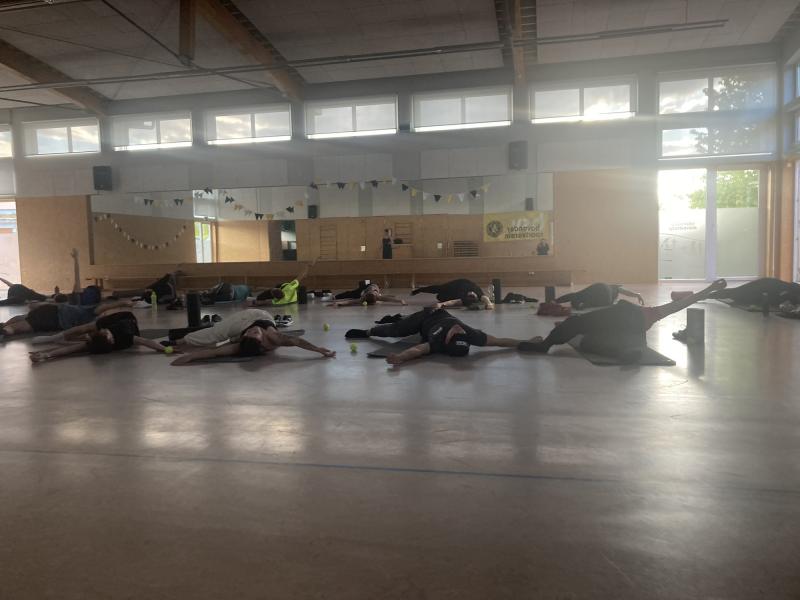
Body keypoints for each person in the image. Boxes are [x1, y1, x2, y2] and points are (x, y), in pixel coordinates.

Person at [519, 279, 726, 362]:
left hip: (622, 315)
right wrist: (710, 289)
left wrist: (710, 289)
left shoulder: (637, 309)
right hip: (634, 326)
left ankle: (545, 345)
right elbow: (681, 305)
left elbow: (585, 319)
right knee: (612, 341)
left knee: (580, 325)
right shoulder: (652, 315)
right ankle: (626, 351)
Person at [345, 307, 525, 365]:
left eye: (458, 332)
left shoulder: (439, 342)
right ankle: (368, 332)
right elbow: (499, 341)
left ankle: (396, 319)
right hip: (429, 314)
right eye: (460, 331)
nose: (459, 329)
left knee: (397, 329)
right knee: (396, 329)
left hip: (427, 322)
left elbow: (417, 350)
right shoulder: (470, 334)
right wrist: (524, 342)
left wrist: (399, 358)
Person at [169, 307, 335, 365]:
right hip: (256, 316)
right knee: (214, 334)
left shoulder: (239, 346)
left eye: (253, 332)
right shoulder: (274, 337)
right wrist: (318, 350)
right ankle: (180, 340)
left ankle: (181, 339)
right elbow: (296, 341)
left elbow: (214, 352)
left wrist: (190, 357)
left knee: (215, 334)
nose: (253, 330)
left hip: (246, 321)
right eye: (254, 332)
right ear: (262, 340)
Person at [28, 310, 169, 363]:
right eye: (104, 332)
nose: (104, 330)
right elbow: (146, 341)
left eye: (104, 332)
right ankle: (54, 337)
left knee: (85, 335)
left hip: (123, 320)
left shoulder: (118, 338)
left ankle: (66, 339)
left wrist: (46, 355)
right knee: (87, 327)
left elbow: (71, 350)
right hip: (126, 319)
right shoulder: (126, 336)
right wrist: (164, 349)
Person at [1, 298, 133, 341]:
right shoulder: (91, 314)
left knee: (24, 318)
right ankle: (4, 330)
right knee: (19, 326)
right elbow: (105, 307)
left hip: (52, 311)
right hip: (53, 318)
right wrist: (122, 303)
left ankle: (4, 326)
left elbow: (105, 307)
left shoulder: (87, 313)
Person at [251, 259, 317, 307]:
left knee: (262, 295)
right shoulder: (288, 288)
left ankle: (257, 289)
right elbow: (300, 277)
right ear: (281, 290)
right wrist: (307, 266)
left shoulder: (278, 301)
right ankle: (257, 289)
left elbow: (265, 302)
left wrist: (255, 302)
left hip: (290, 295)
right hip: (292, 296)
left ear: (274, 297)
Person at [703, 278, 800, 307]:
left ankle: (707, 295)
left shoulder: (792, 292)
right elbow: (782, 295)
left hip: (766, 287)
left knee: (736, 293)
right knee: (737, 293)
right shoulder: (791, 291)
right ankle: (707, 295)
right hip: (765, 286)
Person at [411, 278, 494, 310]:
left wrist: (441, 304)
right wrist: (489, 304)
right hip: (458, 283)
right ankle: (419, 290)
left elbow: (453, 302)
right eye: (473, 294)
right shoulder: (477, 291)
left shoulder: (464, 297)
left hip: (456, 292)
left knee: (440, 296)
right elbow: (485, 298)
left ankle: (440, 297)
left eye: (471, 295)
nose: (472, 293)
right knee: (439, 288)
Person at [555, 283, 644, 309]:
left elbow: (624, 291)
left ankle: (555, 301)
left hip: (600, 285)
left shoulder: (612, 286)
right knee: (603, 304)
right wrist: (637, 295)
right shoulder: (614, 291)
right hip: (605, 295)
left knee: (578, 294)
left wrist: (637, 295)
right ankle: (584, 305)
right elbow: (625, 292)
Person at [110, 272, 178, 305]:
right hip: (152, 292)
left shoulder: (169, 286)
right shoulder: (169, 286)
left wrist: (149, 289)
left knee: (136, 292)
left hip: (152, 292)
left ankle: (116, 294)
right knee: (136, 292)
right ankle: (116, 294)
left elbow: (165, 298)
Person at [330, 282, 406, 307]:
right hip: (366, 288)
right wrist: (339, 303)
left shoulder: (376, 296)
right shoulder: (363, 297)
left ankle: (336, 297)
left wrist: (400, 301)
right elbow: (350, 302)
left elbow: (390, 299)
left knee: (354, 296)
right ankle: (336, 297)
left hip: (373, 286)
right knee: (352, 294)